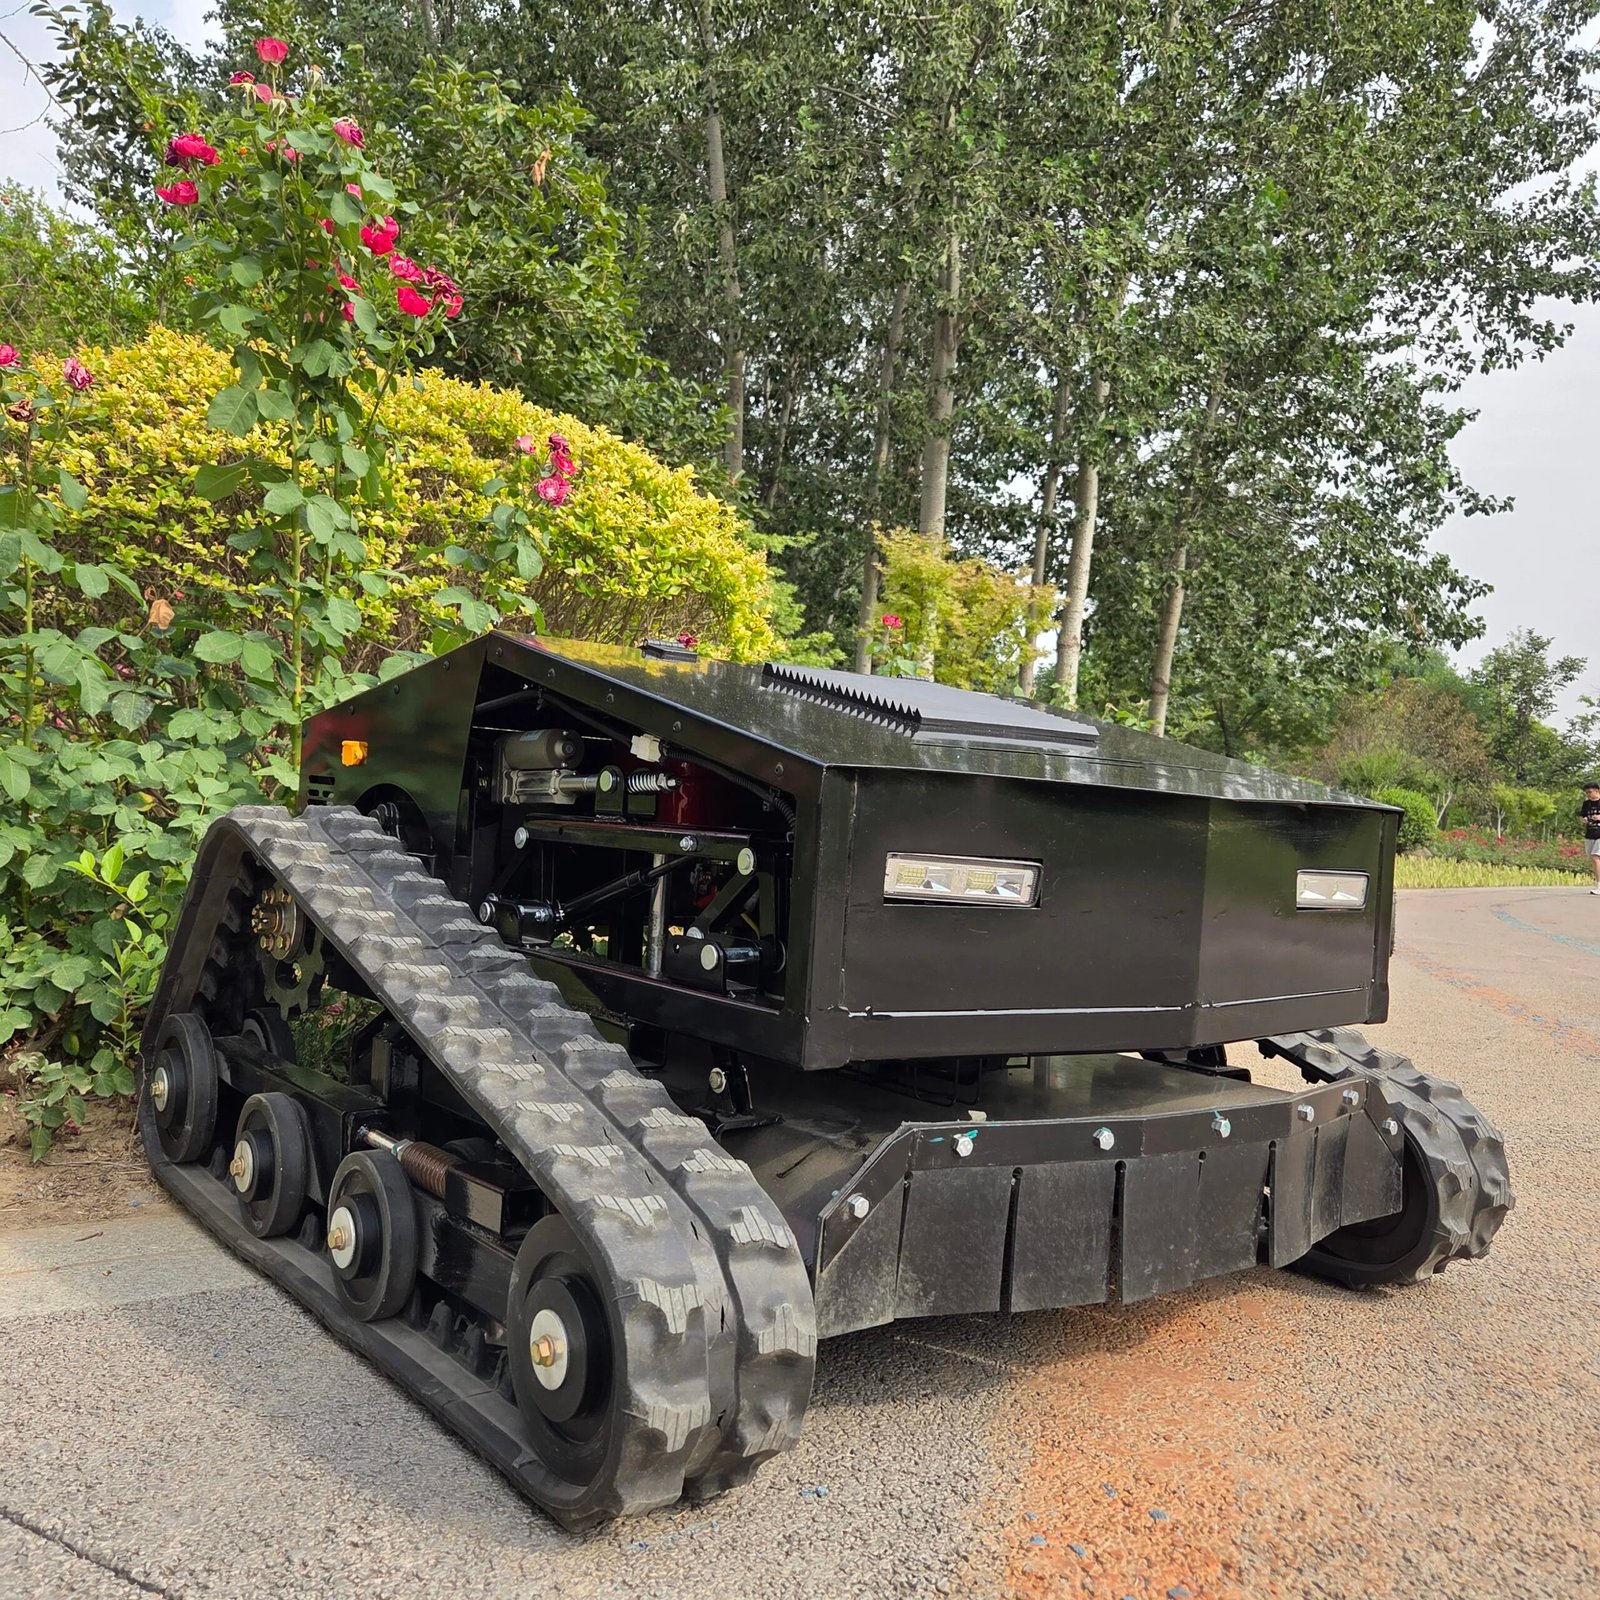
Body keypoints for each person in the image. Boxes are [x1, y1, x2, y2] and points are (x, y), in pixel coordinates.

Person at [1583, 781, 1600, 893]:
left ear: (1597, 790)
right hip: (1590, 833)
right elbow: (1582, 816)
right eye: (1586, 792)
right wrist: (1584, 819)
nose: (1588, 794)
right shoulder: (1586, 804)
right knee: (1593, 858)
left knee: (1595, 857)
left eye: (1590, 792)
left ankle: (1599, 885)